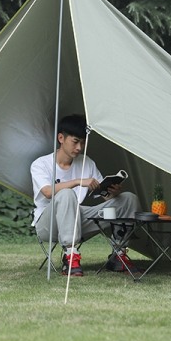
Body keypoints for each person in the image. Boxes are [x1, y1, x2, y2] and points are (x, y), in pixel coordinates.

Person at [31, 114, 142, 276]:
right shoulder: (41, 164)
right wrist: (77, 181)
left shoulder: (86, 162)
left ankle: (119, 254)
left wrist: (112, 192)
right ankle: (70, 256)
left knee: (128, 199)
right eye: (75, 142)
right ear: (61, 138)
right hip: (48, 224)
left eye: (83, 143)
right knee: (67, 194)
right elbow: (48, 192)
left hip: (78, 220)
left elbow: (105, 198)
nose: (79, 148)